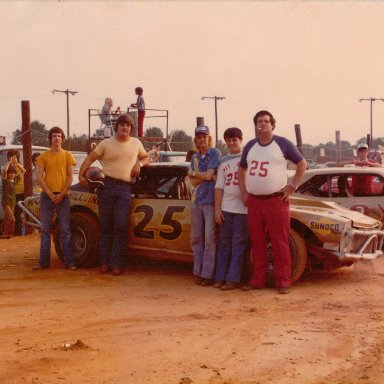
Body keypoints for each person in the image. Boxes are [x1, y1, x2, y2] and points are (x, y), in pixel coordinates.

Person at [238, 110, 306, 294]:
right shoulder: (251, 145)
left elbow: (302, 164)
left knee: (280, 241)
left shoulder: (282, 143)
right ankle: (257, 279)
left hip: (276, 200)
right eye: (259, 121)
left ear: (272, 124)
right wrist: (243, 191)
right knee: (257, 241)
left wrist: (292, 186)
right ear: (255, 125)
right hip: (254, 201)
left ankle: (283, 281)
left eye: (266, 121)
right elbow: (242, 168)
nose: (263, 124)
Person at [79, 114, 150, 276]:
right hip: (106, 186)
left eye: (128, 125)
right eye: (122, 124)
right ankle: (104, 263)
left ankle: (117, 264)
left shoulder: (136, 143)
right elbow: (90, 158)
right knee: (105, 227)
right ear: (116, 127)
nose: (125, 127)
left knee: (120, 226)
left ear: (131, 129)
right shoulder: (106, 143)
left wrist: (139, 164)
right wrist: (81, 175)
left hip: (124, 188)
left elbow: (146, 158)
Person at [33, 127, 77, 270]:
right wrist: (51, 195)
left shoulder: (68, 155)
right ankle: (43, 263)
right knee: (45, 230)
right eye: (54, 136)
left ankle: (69, 262)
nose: (57, 138)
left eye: (59, 136)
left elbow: (70, 177)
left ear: (62, 138)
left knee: (65, 229)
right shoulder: (44, 156)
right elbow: (39, 177)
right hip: (47, 196)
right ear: (50, 139)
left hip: (63, 197)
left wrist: (62, 194)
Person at [214, 127, 249, 291]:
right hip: (227, 207)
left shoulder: (248, 158)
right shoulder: (223, 160)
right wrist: (217, 209)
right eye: (228, 140)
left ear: (241, 140)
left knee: (238, 243)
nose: (231, 143)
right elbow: (219, 187)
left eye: (235, 139)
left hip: (243, 208)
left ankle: (233, 279)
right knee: (224, 244)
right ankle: (220, 277)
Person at [188, 124, 220, 286]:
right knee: (195, 238)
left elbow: (208, 175)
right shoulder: (194, 157)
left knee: (209, 239)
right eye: (199, 136)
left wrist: (195, 173)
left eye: (204, 136)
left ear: (209, 138)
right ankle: (197, 271)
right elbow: (193, 182)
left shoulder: (215, 153)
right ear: (195, 139)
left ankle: (208, 274)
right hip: (196, 201)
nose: (201, 139)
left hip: (210, 201)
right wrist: (202, 176)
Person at [6, 150, 26, 235]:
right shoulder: (8, 168)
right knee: (13, 214)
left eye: (14, 157)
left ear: (18, 158)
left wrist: (18, 165)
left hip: (21, 193)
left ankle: (18, 232)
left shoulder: (20, 166)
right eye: (10, 157)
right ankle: (13, 232)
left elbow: (24, 171)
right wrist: (10, 165)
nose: (13, 159)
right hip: (12, 194)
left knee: (19, 213)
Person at [1, 165, 18, 237]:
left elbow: (24, 171)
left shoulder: (14, 180)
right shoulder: (5, 180)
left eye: (13, 173)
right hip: (6, 202)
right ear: (7, 174)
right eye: (10, 173)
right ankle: (11, 234)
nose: (12, 174)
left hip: (12, 202)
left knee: (7, 218)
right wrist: (10, 162)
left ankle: (5, 233)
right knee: (12, 219)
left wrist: (17, 164)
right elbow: (4, 171)